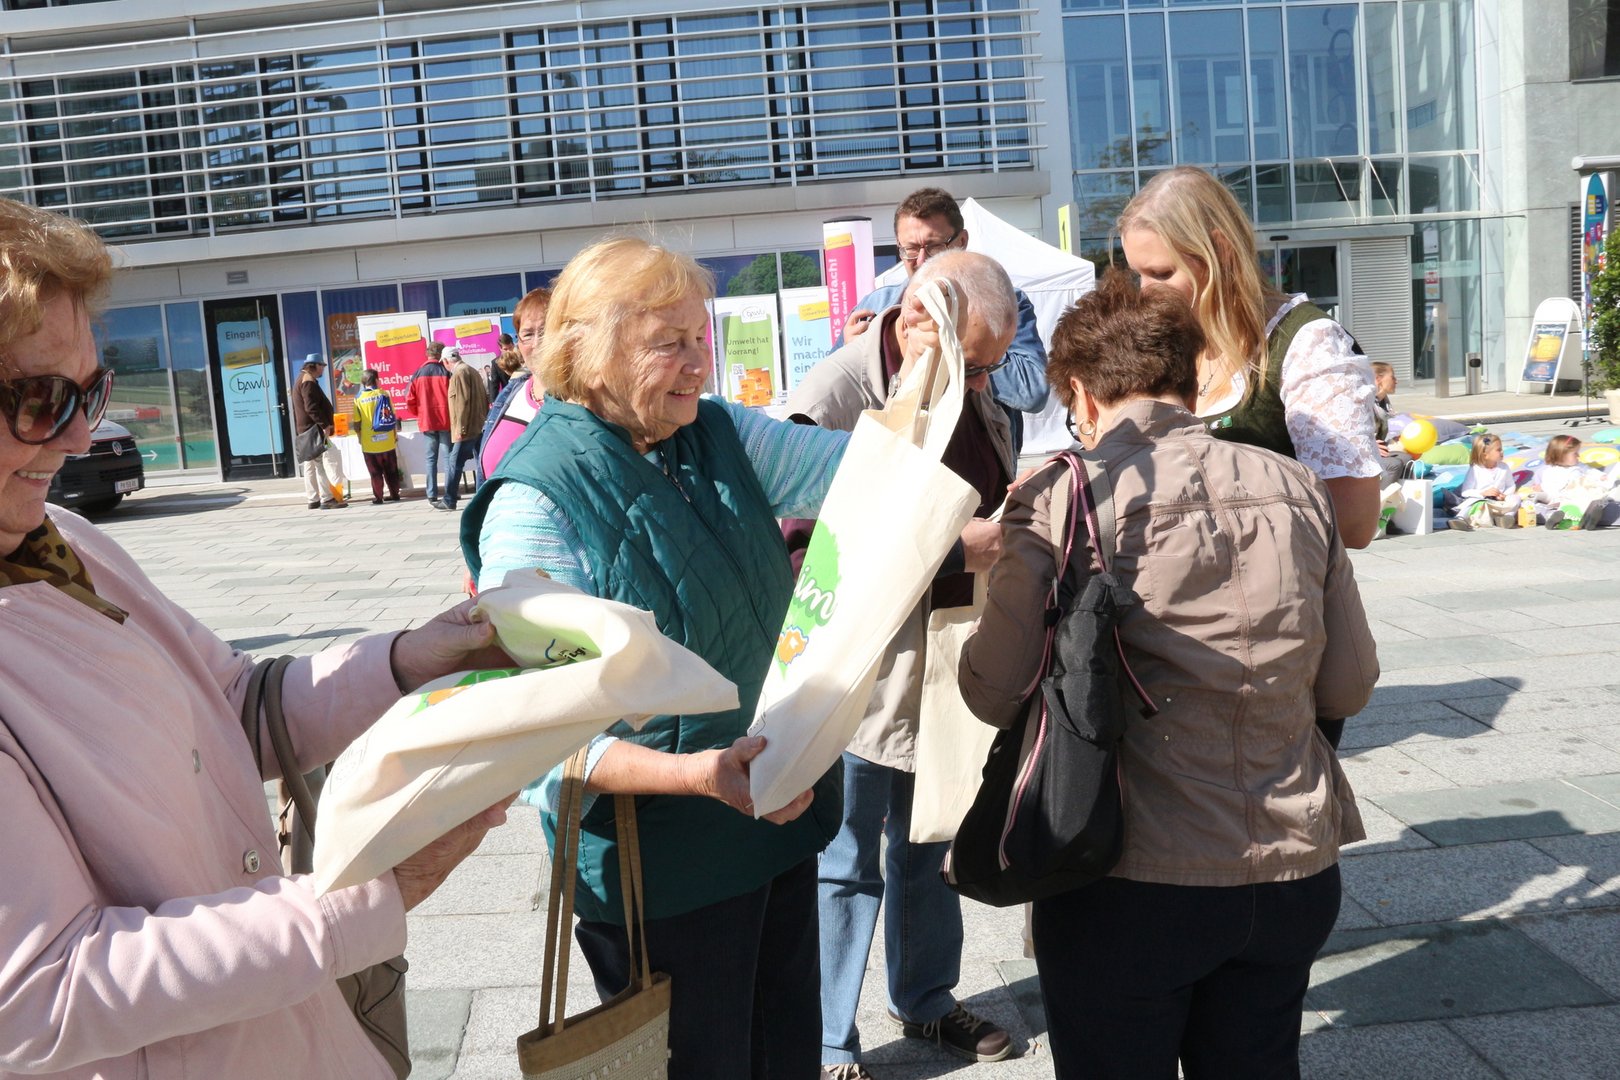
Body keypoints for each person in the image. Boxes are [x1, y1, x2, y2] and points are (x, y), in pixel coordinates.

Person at [0, 195, 514, 1078]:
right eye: (43, 400)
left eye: (91, 390)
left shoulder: (63, 538)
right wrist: (368, 898)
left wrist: (411, 659)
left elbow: (234, 704)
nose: (81, 435)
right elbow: (43, 994)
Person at [958, 272, 1378, 1079]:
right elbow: (1349, 685)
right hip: (1294, 866)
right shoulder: (1294, 484)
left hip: (1131, 874)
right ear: (1190, 381)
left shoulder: (1059, 495)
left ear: (1082, 395)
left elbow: (993, 689)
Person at [460, 236, 857, 1079]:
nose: (698, 364)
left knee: (785, 1057)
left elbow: (860, 478)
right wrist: (702, 776)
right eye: (668, 343)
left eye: (700, 338)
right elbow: (537, 733)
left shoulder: (713, 432)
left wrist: (930, 391)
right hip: (666, 875)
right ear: (591, 351)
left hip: (776, 827)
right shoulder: (536, 500)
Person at [787, 252, 1014, 1079]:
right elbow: (805, 551)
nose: (985, 383)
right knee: (844, 858)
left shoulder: (970, 383)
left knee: (932, 839)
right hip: (863, 669)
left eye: (992, 367)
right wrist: (957, 548)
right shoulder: (838, 392)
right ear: (923, 318)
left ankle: (924, 999)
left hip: (950, 662)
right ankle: (827, 1039)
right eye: (976, 364)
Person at [1117, 166, 1383, 548]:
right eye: (1138, 275)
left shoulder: (1307, 343)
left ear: (1221, 251)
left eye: (1161, 273)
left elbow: (1353, 522)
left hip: (1277, 580)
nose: (1146, 292)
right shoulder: (1168, 342)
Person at [836, 186, 1049, 452]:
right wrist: (855, 353)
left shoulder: (1005, 300)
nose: (921, 260)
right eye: (910, 249)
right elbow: (835, 394)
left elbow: (1034, 391)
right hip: (897, 462)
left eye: (934, 246)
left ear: (962, 241)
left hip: (977, 464)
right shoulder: (875, 306)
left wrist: (970, 347)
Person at [477, 287, 552, 485]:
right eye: (527, 334)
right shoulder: (511, 394)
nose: (536, 343)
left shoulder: (582, 399)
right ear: (518, 342)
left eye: (545, 332)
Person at [292, 355, 347, 510]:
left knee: (309, 464)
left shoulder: (302, 378)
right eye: (321, 365)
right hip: (313, 430)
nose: (323, 368)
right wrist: (324, 425)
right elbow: (311, 408)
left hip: (305, 429)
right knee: (321, 463)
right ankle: (327, 498)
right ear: (314, 365)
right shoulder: (308, 381)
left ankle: (313, 499)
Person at [1532, 435, 1620, 530]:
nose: (1578, 456)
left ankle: (1590, 518)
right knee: (1580, 499)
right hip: (1563, 498)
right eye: (1575, 453)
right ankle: (1556, 518)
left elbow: (1590, 471)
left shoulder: (1578, 466)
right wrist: (1541, 487)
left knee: (1594, 496)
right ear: (1561, 455)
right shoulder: (1550, 471)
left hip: (1579, 495)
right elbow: (1550, 486)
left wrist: (1601, 476)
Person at [405, 340, 452, 505]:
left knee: (430, 459)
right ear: (440, 354)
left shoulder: (418, 373)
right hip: (445, 419)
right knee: (448, 458)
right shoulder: (446, 372)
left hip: (427, 420)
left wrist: (419, 413)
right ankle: (450, 491)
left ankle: (431, 493)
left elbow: (409, 398)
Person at [1444, 432, 1519, 531]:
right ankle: (1460, 518)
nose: (1502, 452)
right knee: (1472, 501)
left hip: (1499, 503)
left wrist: (1504, 495)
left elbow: (1510, 485)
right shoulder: (1475, 469)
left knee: (1516, 498)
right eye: (1498, 450)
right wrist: (1483, 493)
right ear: (1485, 454)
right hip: (1482, 503)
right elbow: (1465, 492)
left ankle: (1507, 517)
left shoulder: (1504, 467)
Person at [443, 347, 489, 508]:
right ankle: (482, 498)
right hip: (478, 424)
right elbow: (484, 398)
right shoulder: (471, 370)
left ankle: (449, 499)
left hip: (467, 428)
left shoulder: (459, 373)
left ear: (446, 361)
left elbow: (461, 403)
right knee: (480, 464)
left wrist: (460, 429)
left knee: (455, 462)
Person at [353, 368, 403, 504]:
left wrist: (359, 436)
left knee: (375, 472)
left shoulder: (358, 398)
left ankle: (378, 497)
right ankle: (395, 494)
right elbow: (392, 416)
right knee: (391, 470)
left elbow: (357, 422)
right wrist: (394, 434)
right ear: (376, 380)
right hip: (387, 441)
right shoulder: (384, 394)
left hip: (369, 443)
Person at [1370, 361, 1416, 484]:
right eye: (1392, 377)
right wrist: (1370, 445)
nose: (1396, 381)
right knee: (1394, 464)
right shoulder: (1366, 402)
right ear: (1378, 379)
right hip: (1364, 452)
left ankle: (1401, 495)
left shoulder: (1384, 402)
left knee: (1407, 459)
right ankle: (1382, 495)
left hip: (1376, 450)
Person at [488, 332, 521, 403]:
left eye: (510, 348)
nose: (509, 351)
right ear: (500, 349)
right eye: (505, 349)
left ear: (513, 345)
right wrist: (493, 402)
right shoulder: (496, 363)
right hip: (508, 398)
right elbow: (494, 384)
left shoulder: (521, 358)